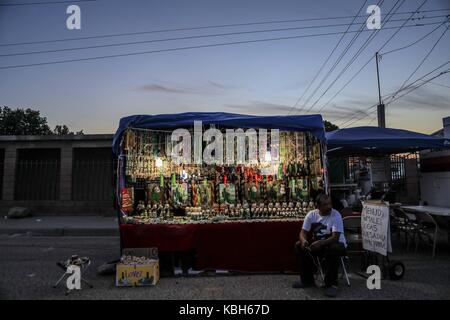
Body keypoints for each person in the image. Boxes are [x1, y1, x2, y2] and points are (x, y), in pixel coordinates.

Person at [292, 194, 347, 298]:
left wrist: (320, 243)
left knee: (334, 248)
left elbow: (335, 237)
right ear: (317, 206)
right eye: (325, 204)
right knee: (298, 246)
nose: (329, 206)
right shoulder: (311, 215)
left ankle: (331, 284)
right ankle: (307, 280)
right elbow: (302, 233)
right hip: (319, 245)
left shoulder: (336, 215)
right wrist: (304, 241)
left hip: (336, 244)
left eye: (330, 203)